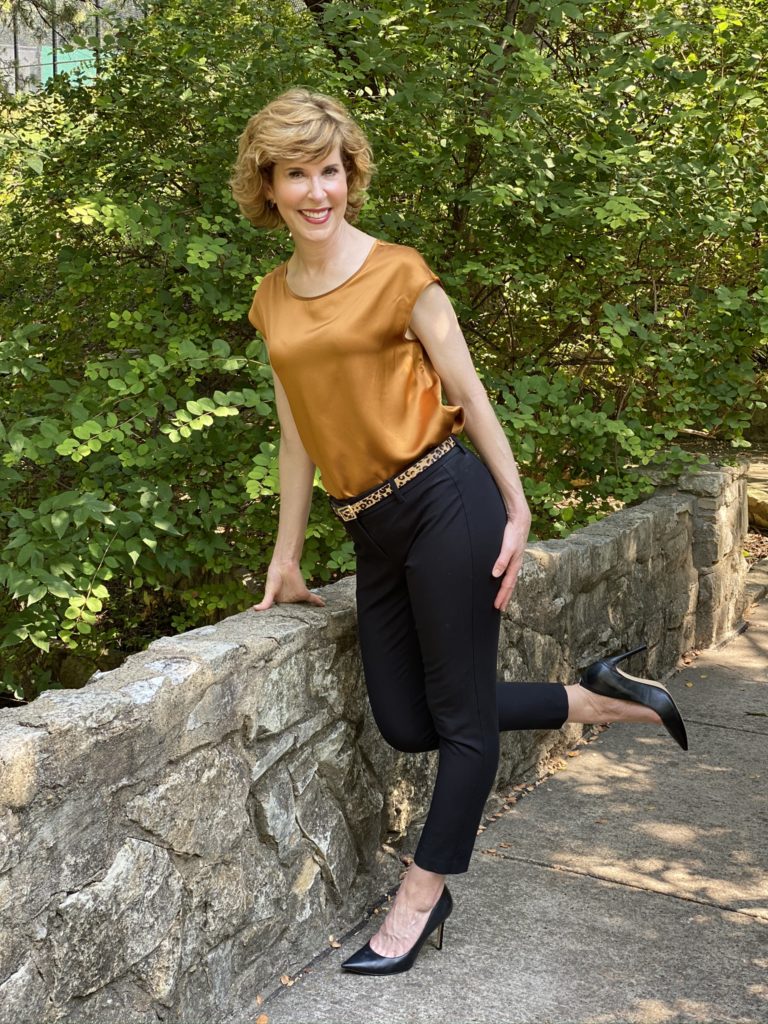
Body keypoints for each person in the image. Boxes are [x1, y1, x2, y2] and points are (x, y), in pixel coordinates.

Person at [229, 88, 688, 977]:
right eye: (298, 175)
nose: (318, 191)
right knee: (407, 721)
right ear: (270, 186)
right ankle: (598, 697)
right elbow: (295, 429)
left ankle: (417, 905)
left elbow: (470, 395)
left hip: (445, 500)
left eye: (331, 171)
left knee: (465, 728)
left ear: (349, 177)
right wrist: (285, 555)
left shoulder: (401, 273)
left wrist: (516, 509)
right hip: (369, 524)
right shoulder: (272, 299)